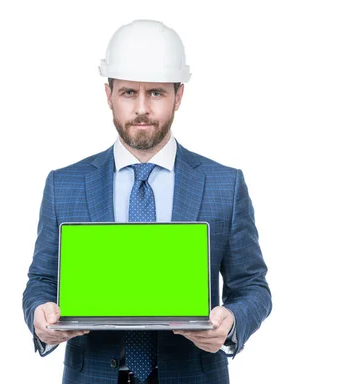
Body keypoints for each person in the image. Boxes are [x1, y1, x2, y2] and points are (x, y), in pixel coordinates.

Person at [22, 19, 271, 384]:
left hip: (193, 375)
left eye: (155, 92)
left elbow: (252, 286)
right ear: (108, 95)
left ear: (179, 95)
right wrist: (39, 316)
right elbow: (42, 280)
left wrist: (232, 322)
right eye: (128, 93)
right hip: (93, 375)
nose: (141, 108)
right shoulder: (65, 184)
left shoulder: (224, 184)